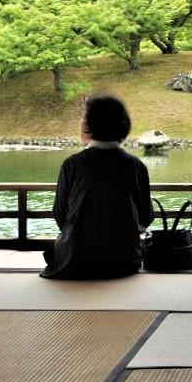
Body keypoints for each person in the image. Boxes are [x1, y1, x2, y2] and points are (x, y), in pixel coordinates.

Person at [41, 95, 153, 280]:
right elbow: (146, 217)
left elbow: (60, 215)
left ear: (89, 126)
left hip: (75, 258)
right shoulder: (135, 166)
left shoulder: (72, 165)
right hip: (124, 259)